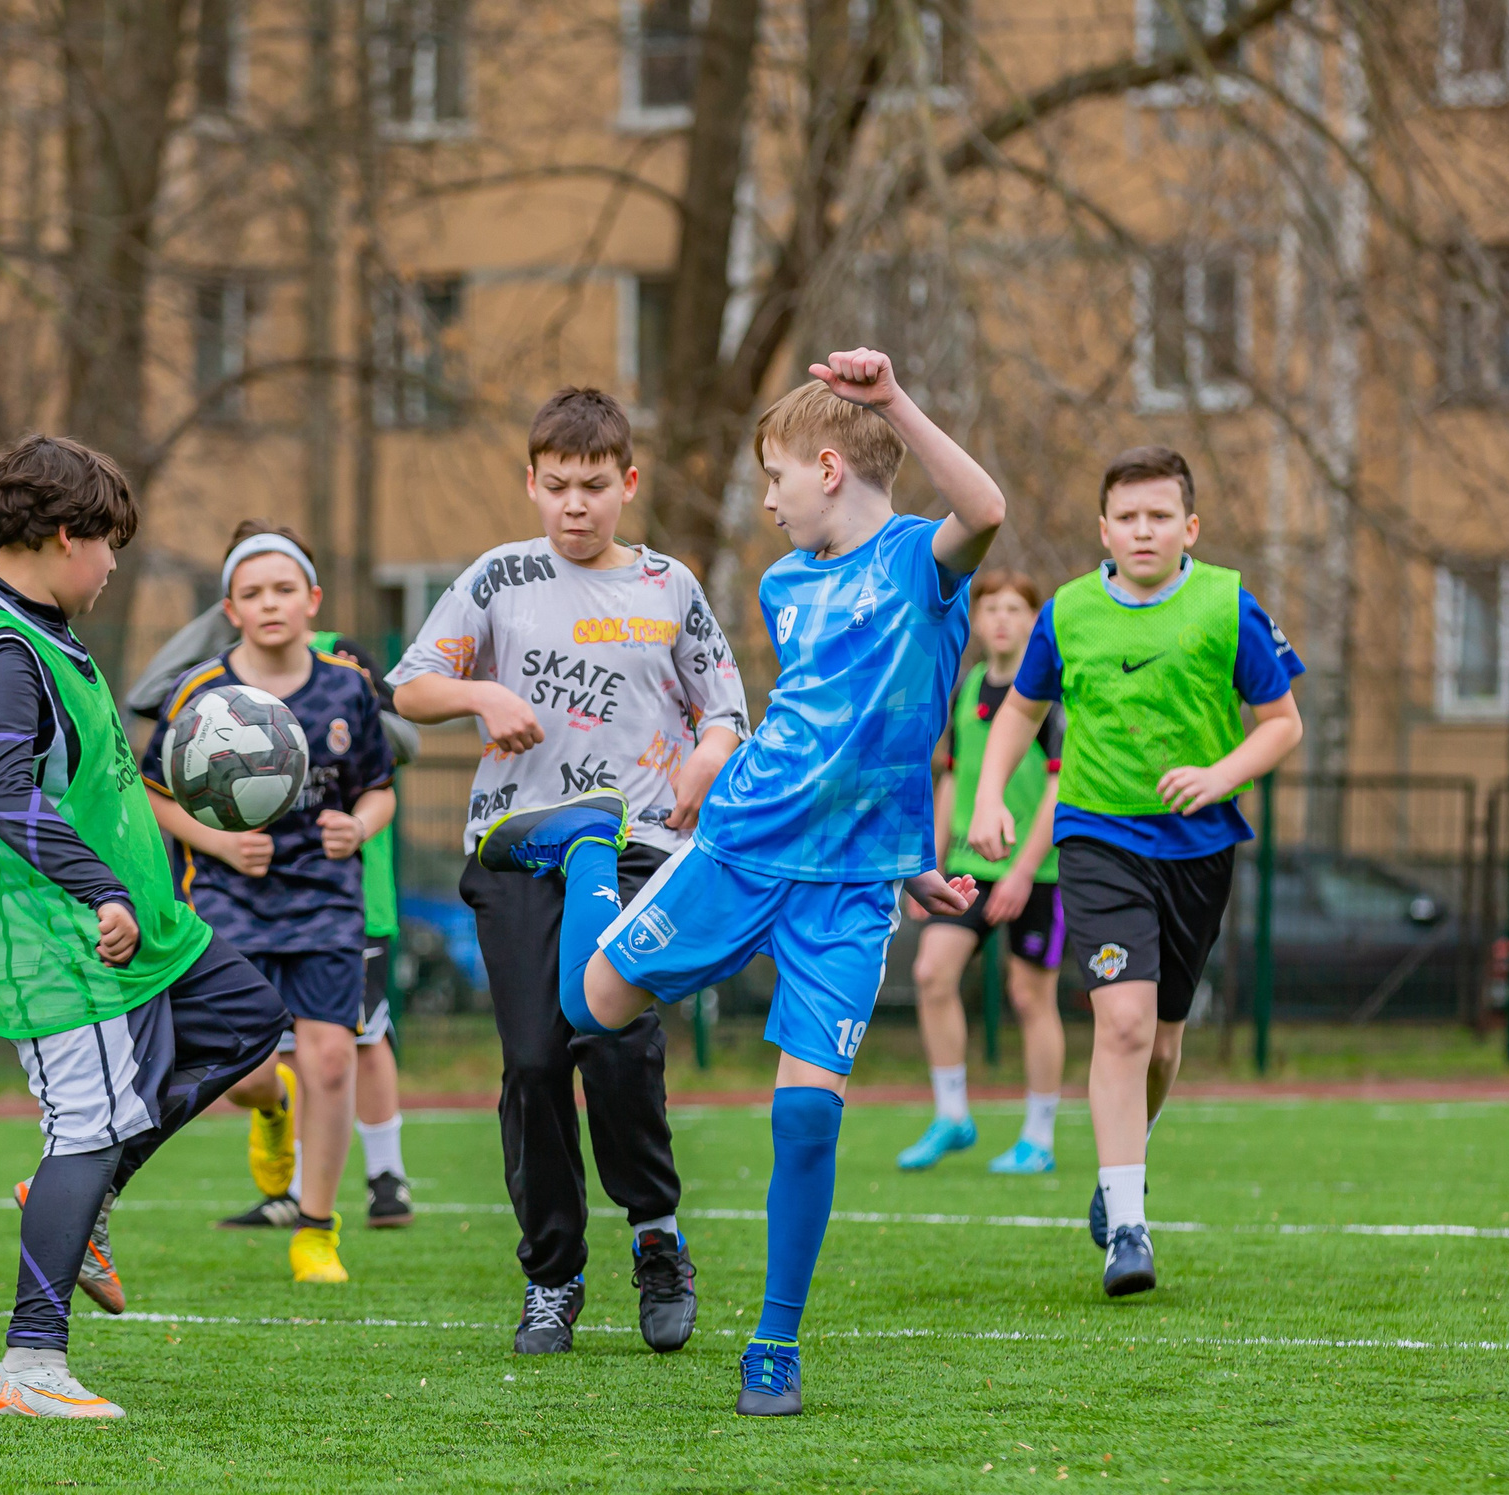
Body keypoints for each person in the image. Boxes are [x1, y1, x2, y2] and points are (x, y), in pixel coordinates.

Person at [508, 349, 1000, 1416]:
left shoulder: (924, 560)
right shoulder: (784, 584)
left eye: (773, 476)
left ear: (827, 467)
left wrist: (895, 402)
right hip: (742, 846)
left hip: (850, 889)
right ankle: (591, 845)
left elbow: (986, 506)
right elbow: (828, 727)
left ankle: (773, 1343)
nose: (765, 500)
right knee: (587, 1002)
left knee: (806, 1117)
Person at [0, 434, 294, 1420]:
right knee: (82, 1126)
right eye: (107, 543)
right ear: (60, 536)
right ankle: (29, 1364)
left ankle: (84, 1203)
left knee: (250, 1016)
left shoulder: (40, 631)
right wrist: (103, 892)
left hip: (137, 920)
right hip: (57, 932)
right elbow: (4, 797)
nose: (115, 562)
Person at [388, 386, 749, 1357]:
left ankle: (656, 1238)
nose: (575, 506)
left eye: (594, 485)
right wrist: (478, 693)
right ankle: (553, 1276)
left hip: (635, 846)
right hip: (516, 846)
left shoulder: (669, 586)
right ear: (531, 485)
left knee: (616, 1045)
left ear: (628, 483)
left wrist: (708, 759)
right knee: (537, 1060)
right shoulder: (497, 579)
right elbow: (411, 688)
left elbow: (726, 710)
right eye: (556, 487)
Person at [966, 446, 1304, 1300]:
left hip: (1198, 847)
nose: (1143, 530)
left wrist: (1221, 775)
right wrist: (987, 800)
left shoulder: (1228, 603)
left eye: (1161, 516)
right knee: (1119, 1025)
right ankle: (1128, 1225)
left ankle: (1126, 1156)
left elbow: (1281, 722)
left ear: (1189, 527)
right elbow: (1021, 710)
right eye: (1128, 517)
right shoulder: (1071, 612)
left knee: (1160, 1041)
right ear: (1104, 529)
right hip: (1097, 837)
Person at [141, 521, 397, 1285]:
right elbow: (154, 795)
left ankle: (316, 1228)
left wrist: (357, 825)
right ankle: (268, 1106)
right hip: (229, 898)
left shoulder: (348, 687)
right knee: (244, 1068)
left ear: (312, 599)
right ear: (231, 608)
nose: (270, 603)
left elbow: (379, 790)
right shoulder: (200, 694)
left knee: (327, 1056)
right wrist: (218, 844)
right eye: (253, 592)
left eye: (284, 588)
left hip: (325, 899)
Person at [897, 569, 1070, 1176]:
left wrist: (1024, 871)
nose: (1000, 619)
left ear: (1033, 619)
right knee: (930, 972)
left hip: (1039, 871)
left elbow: (1059, 787)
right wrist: (930, 866)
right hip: (970, 866)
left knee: (1029, 996)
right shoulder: (966, 686)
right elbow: (950, 781)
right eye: (989, 607)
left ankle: (1038, 1136)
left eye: (1013, 609)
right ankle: (952, 1116)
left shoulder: (1049, 693)